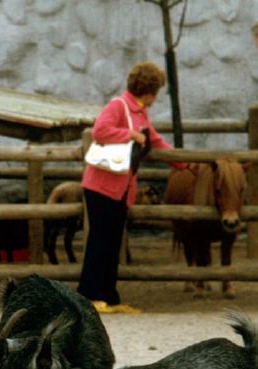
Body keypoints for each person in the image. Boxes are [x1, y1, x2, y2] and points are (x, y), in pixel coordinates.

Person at [77, 61, 186, 314]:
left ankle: (109, 296)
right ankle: (90, 296)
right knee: (99, 241)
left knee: (113, 241)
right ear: (148, 90)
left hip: (121, 189)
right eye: (156, 90)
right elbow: (100, 131)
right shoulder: (119, 106)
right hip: (102, 187)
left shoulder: (140, 112)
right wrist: (131, 136)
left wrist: (185, 163)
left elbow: (155, 141)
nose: (156, 96)